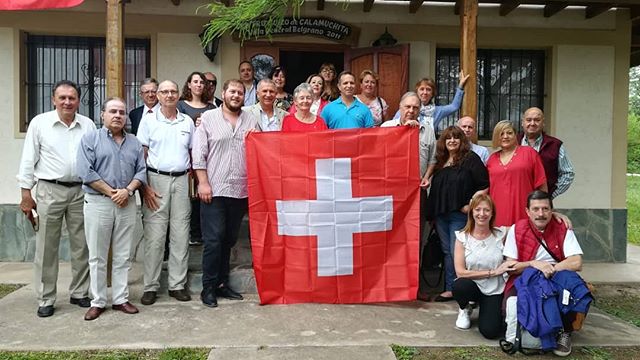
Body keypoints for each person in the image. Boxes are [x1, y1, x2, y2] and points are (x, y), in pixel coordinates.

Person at [17, 80, 94, 318]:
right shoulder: (40, 123)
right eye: (62, 97)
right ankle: (46, 297)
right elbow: (28, 158)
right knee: (46, 247)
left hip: (81, 191)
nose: (67, 102)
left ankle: (80, 292)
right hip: (49, 190)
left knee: (82, 245)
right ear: (54, 99)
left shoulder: (88, 125)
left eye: (72, 98)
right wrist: (25, 193)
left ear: (78, 100)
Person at [76, 97, 146, 321]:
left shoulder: (134, 142)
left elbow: (141, 172)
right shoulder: (90, 138)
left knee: (123, 255)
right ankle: (98, 301)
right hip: (99, 203)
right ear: (102, 115)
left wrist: (127, 191)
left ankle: (120, 299)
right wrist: (113, 192)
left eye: (122, 112)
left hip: (126, 203)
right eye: (113, 111)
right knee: (97, 255)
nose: (118, 115)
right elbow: (86, 172)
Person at [192, 79, 258, 308]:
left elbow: (260, 150)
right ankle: (208, 288)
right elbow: (199, 153)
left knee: (228, 240)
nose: (236, 95)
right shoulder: (208, 119)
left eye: (240, 92)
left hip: (240, 190)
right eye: (232, 91)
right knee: (213, 240)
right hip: (214, 188)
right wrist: (203, 182)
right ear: (223, 93)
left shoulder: (251, 120)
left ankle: (222, 283)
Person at [503, 190, 585, 357]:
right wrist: (534, 265)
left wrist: (549, 269)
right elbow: (510, 266)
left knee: (574, 288)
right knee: (514, 301)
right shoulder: (517, 229)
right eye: (536, 209)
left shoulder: (563, 227)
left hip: (556, 274)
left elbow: (576, 262)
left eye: (545, 209)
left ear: (552, 210)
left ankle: (565, 332)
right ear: (527, 211)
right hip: (524, 277)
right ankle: (531, 332)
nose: (541, 214)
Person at [137, 80, 195, 306]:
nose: (169, 95)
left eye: (173, 91)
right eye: (165, 92)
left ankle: (177, 285)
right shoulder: (148, 121)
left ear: (179, 94)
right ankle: (150, 286)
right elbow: (140, 156)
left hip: (181, 180)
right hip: (155, 180)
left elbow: (192, 151)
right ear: (157, 96)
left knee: (181, 233)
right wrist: (144, 186)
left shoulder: (187, 121)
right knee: (155, 236)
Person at [426, 126, 489, 302]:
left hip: (459, 215)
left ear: (461, 141)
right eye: (448, 138)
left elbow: (484, 184)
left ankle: (463, 289)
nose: (452, 141)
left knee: (457, 252)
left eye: (456, 138)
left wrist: (471, 205)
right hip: (441, 215)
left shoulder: (470, 159)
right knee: (447, 251)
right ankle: (450, 288)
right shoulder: (440, 161)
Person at [452, 193, 515, 338]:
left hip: (494, 289)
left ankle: (488, 310)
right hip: (472, 286)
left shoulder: (502, 234)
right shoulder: (462, 237)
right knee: (459, 286)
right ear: (472, 212)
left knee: (490, 332)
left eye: (486, 210)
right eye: (478, 210)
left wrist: (557, 215)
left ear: (492, 213)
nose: (482, 214)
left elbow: (529, 224)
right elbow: (460, 272)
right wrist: (493, 272)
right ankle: (465, 308)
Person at [382, 92, 436, 247]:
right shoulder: (386, 127)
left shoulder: (428, 130)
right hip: (391, 190)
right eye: (407, 107)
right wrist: (403, 133)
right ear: (400, 107)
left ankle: (414, 270)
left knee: (415, 233)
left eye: (415, 107)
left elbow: (433, 160)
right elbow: (379, 154)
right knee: (391, 232)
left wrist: (427, 177)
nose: (411, 111)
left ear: (419, 110)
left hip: (417, 191)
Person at [487, 120, 547, 227]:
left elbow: (542, 185)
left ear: (515, 135)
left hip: (523, 211)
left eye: (509, 133)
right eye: (501, 134)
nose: (505, 136)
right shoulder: (492, 159)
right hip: (497, 213)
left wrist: (542, 209)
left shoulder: (529, 153)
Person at [518, 107, 575, 199]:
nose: (532, 123)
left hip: (542, 203)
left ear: (543, 123)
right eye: (528, 120)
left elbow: (568, 173)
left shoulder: (555, 145)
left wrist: (550, 194)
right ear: (522, 122)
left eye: (537, 120)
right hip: (517, 198)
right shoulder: (514, 143)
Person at [390, 71, 469, 131]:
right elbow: (393, 128)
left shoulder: (438, 111)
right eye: (422, 89)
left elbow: (454, 106)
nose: (425, 92)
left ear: (432, 93)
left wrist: (460, 86)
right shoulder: (406, 109)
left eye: (428, 90)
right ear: (417, 91)